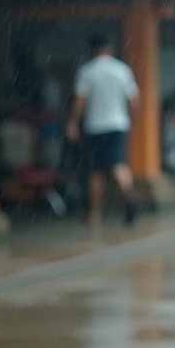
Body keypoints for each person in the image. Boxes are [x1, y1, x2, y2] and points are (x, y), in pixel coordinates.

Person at [66, 33, 140, 225]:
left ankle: (95, 213)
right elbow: (134, 101)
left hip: (95, 126)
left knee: (95, 170)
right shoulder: (122, 70)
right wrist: (131, 120)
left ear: (93, 50)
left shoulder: (87, 71)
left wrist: (72, 122)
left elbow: (80, 100)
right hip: (118, 124)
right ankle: (127, 191)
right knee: (118, 164)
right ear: (110, 48)